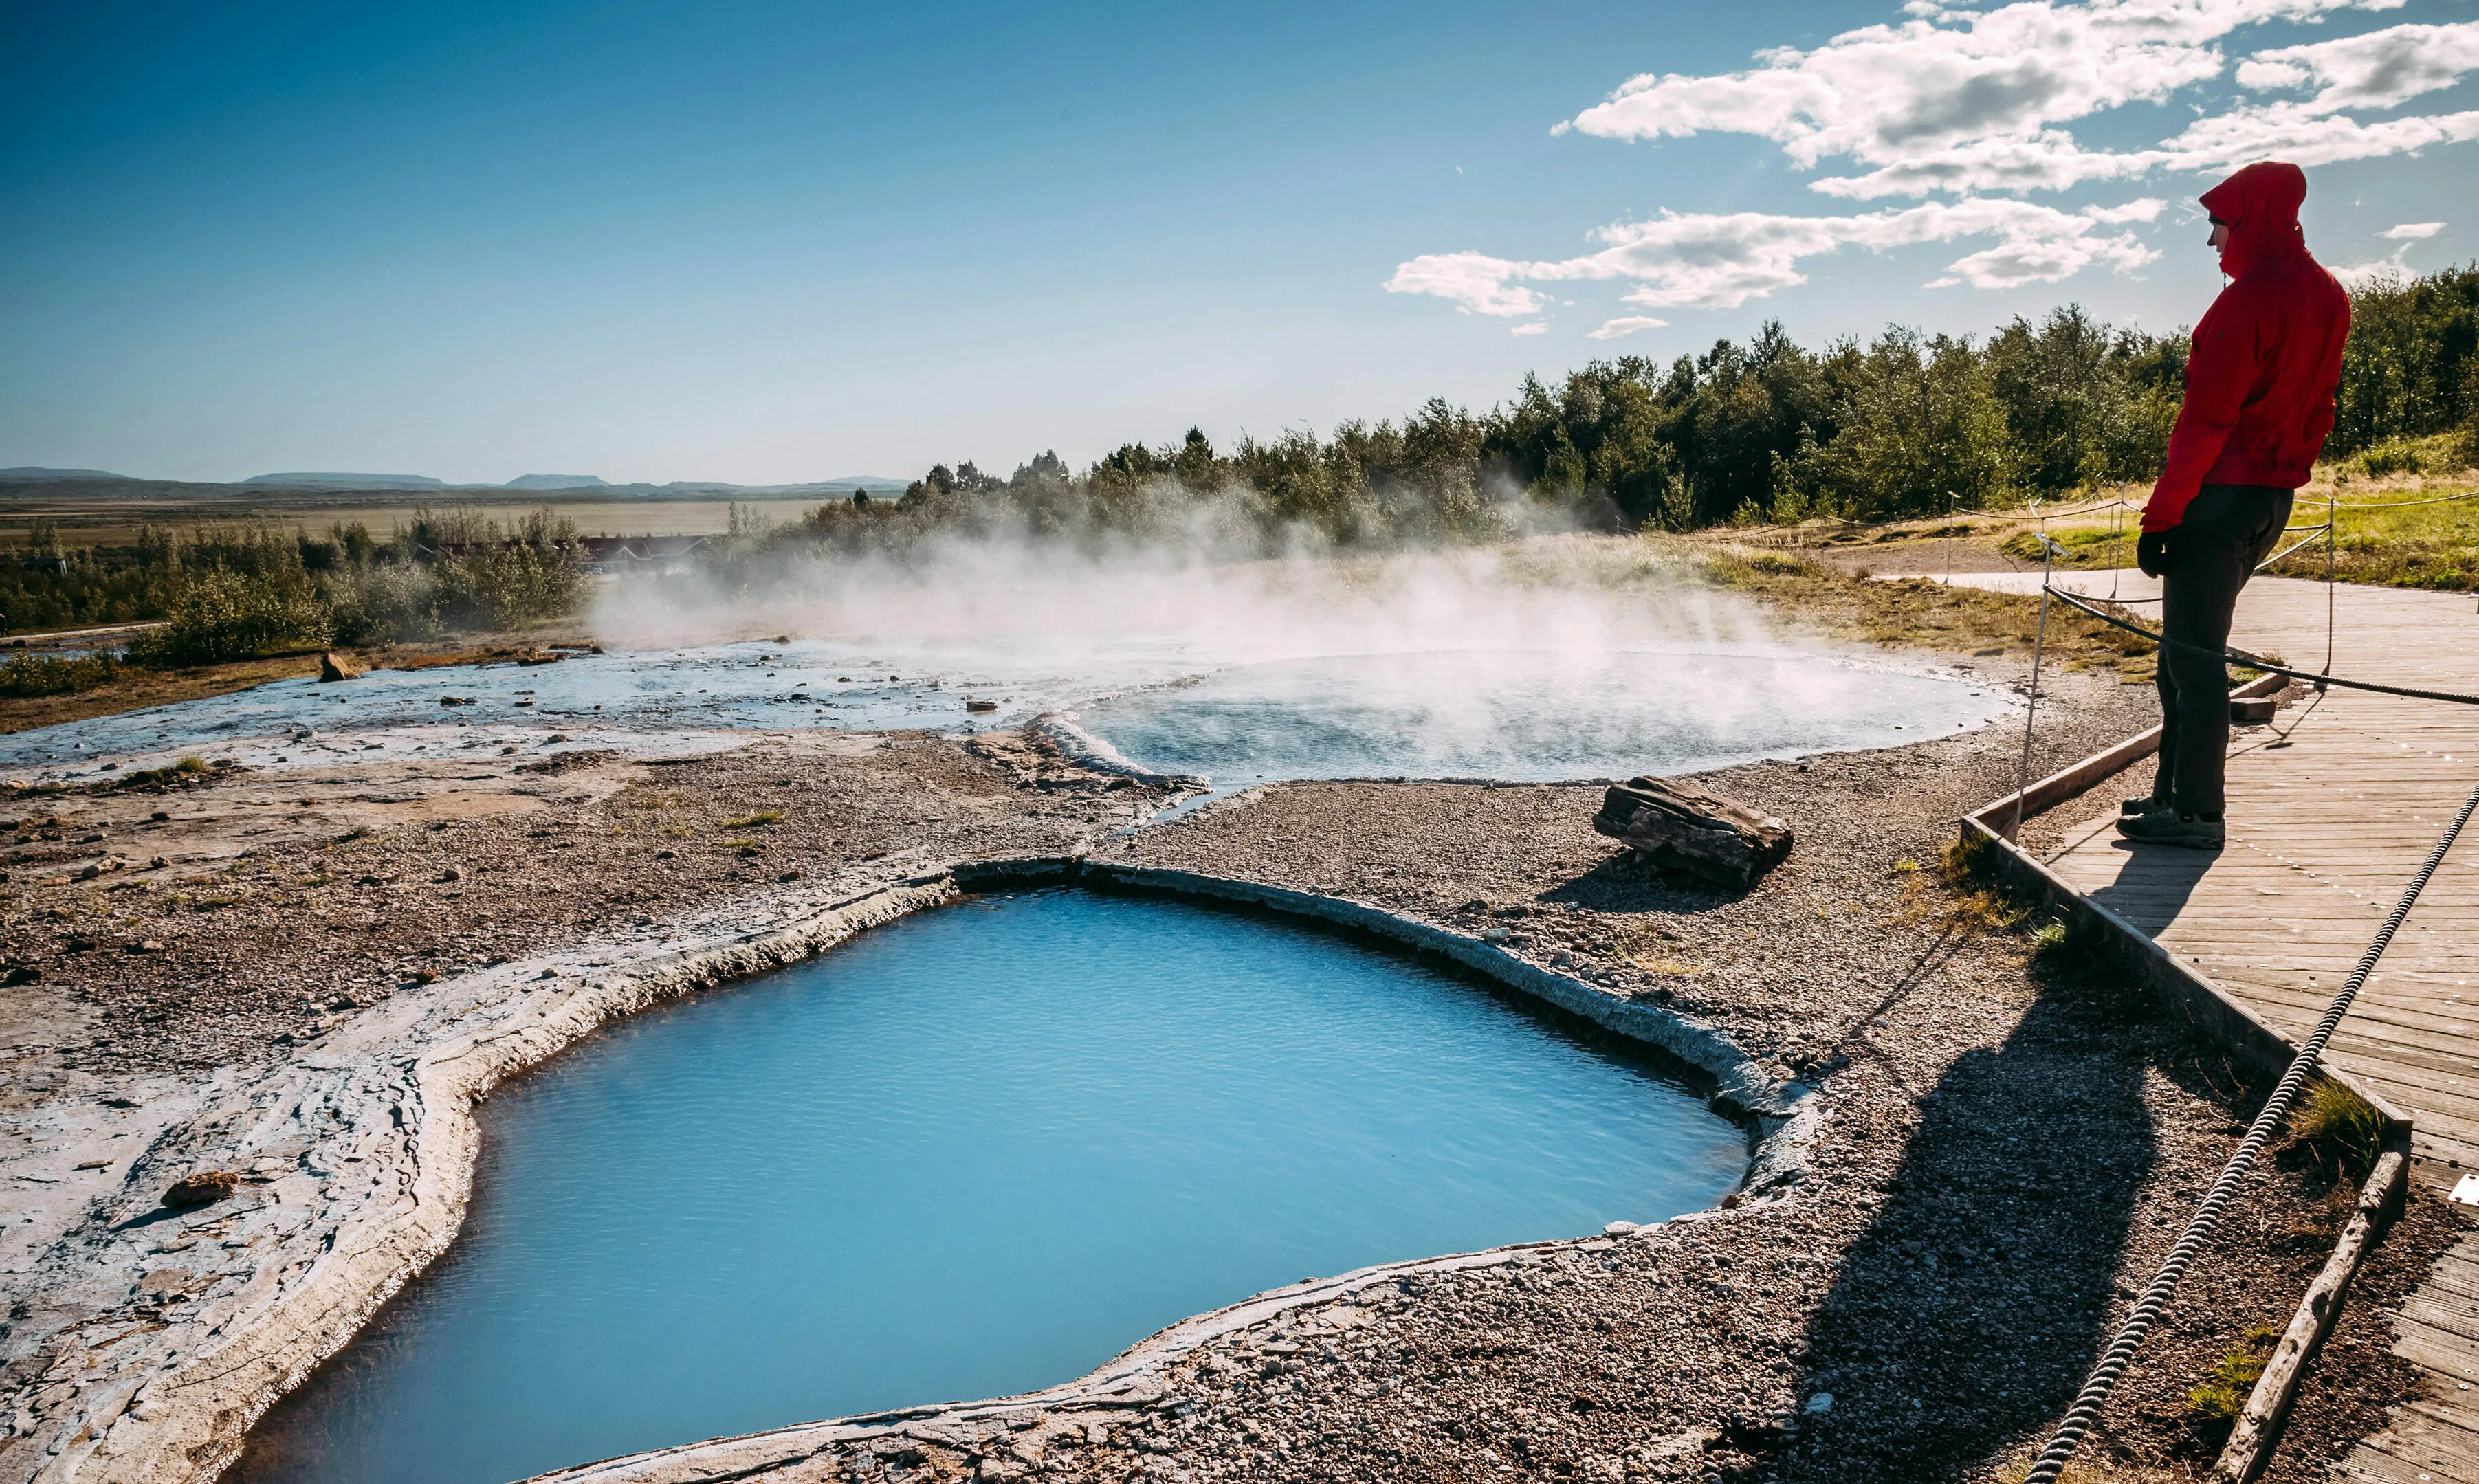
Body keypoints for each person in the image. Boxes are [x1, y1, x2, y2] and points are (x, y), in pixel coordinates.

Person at [2118, 160, 2350, 851]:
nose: (2211, 241)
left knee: (2193, 659)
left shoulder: (2248, 301)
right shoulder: (2328, 294)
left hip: (2216, 502)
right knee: (2181, 654)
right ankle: (2172, 793)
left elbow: (2204, 422)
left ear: (2248, 220)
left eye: (2217, 224)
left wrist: (2160, 519)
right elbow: (2323, 406)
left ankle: (2197, 813)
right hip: (2269, 499)